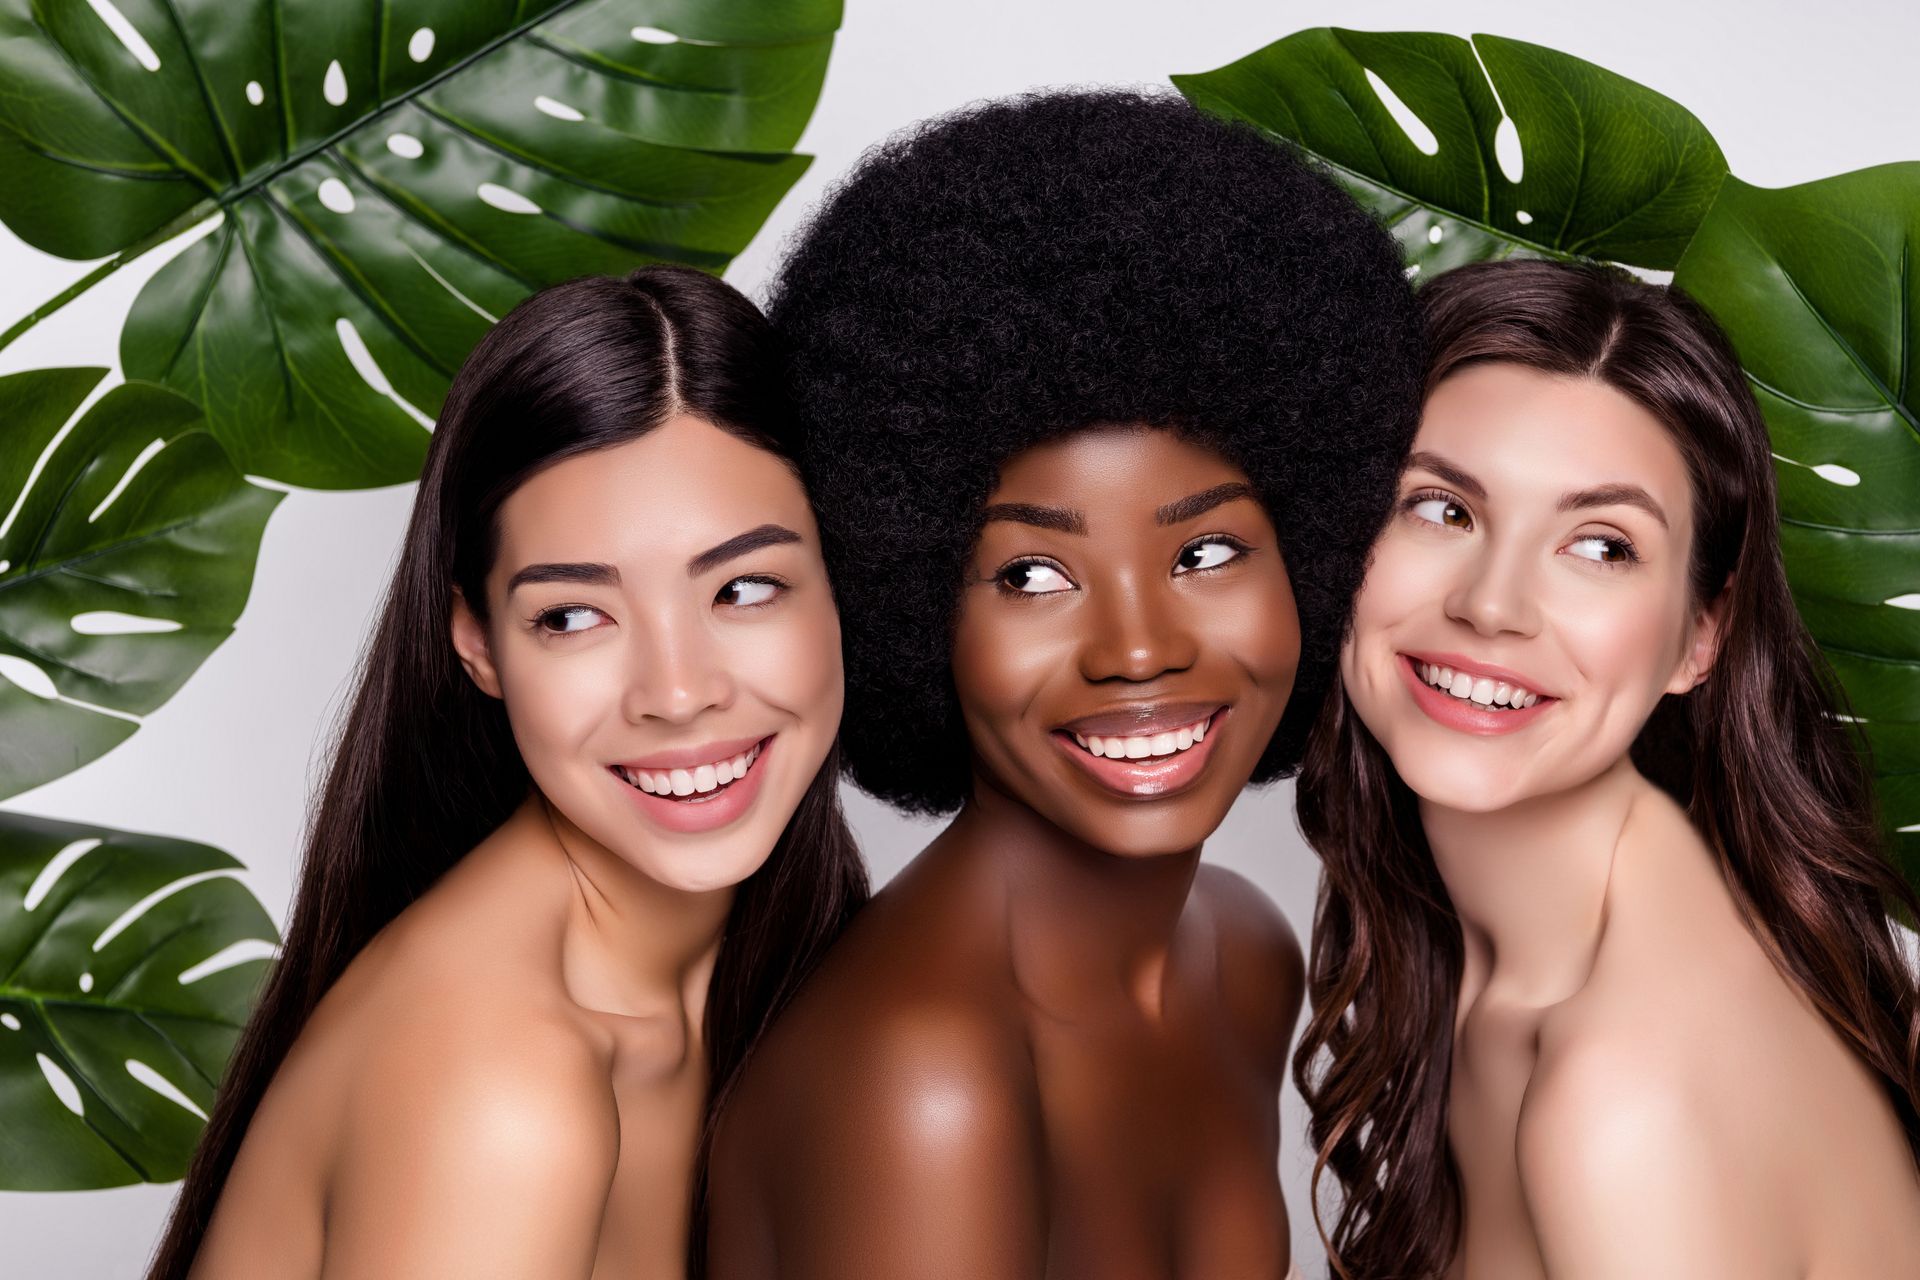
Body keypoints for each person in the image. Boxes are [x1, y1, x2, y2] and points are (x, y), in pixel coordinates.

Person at [704, 90, 1422, 1278]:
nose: (1137, 648)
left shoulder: (1245, 953)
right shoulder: (925, 1079)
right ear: (911, 602)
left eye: (1204, 553)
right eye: (1034, 573)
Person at [147, 267, 867, 1279]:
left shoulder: (769, 968)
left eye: (744, 587)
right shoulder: (502, 1094)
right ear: (478, 642)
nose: (675, 690)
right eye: (574, 614)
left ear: (844, 584)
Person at [1296, 257, 1920, 1278]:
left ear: (1698, 638)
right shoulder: (1545, 946)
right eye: (1442, 507)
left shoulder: (1621, 1105)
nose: (1492, 604)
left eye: (1600, 546)